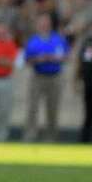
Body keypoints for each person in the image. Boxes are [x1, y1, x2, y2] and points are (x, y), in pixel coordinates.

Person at [23, 13, 68, 142]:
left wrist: (54, 58)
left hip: (54, 76)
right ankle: (30, 134)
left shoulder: (58, 39)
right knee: (33, 107)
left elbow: (66, 55)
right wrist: (39, 59)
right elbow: (27, 60)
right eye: (41, 22)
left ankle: (51, 136)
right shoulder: (33, 40)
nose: (44, 24)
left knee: (52, 107)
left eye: (46, 22)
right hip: (38, 76)